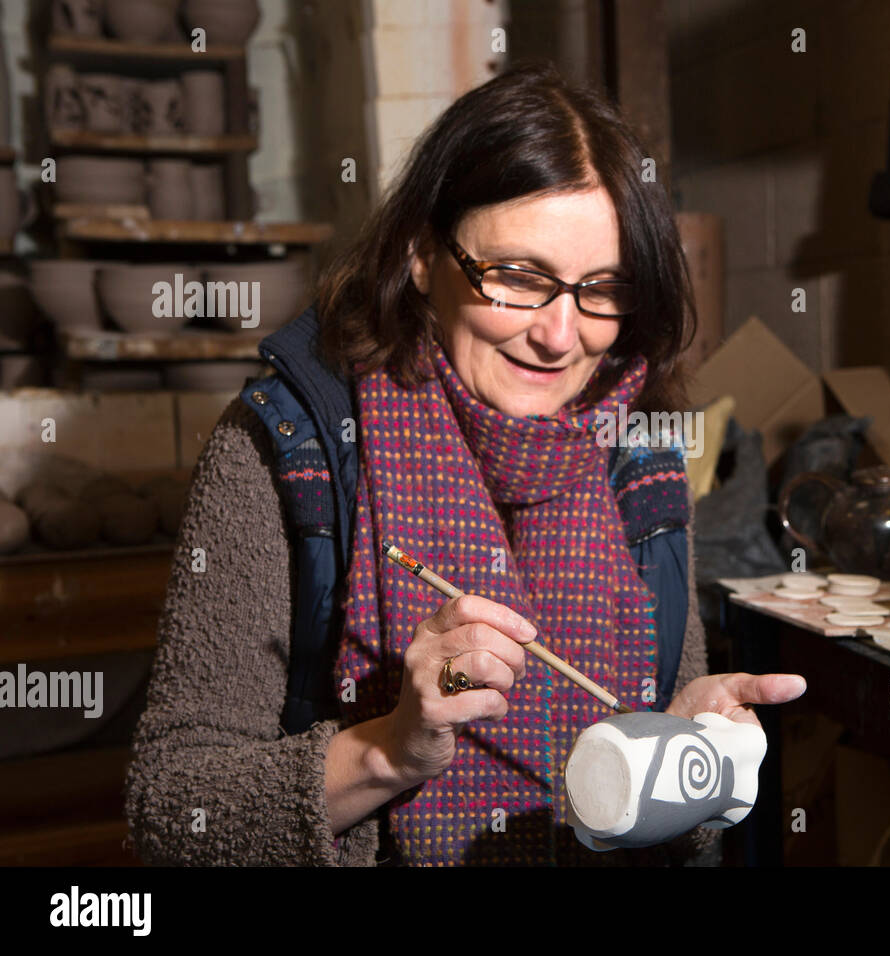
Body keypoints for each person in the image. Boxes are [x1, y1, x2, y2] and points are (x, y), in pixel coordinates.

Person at [125, 61, 805, 866]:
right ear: (421, 255)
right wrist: (389, 750)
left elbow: (671, 840)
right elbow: (170, 811)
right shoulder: (288, 449)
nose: (560, 334)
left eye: (602, 289)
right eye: (518, 277)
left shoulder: (638, 456)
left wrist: (683, 764)